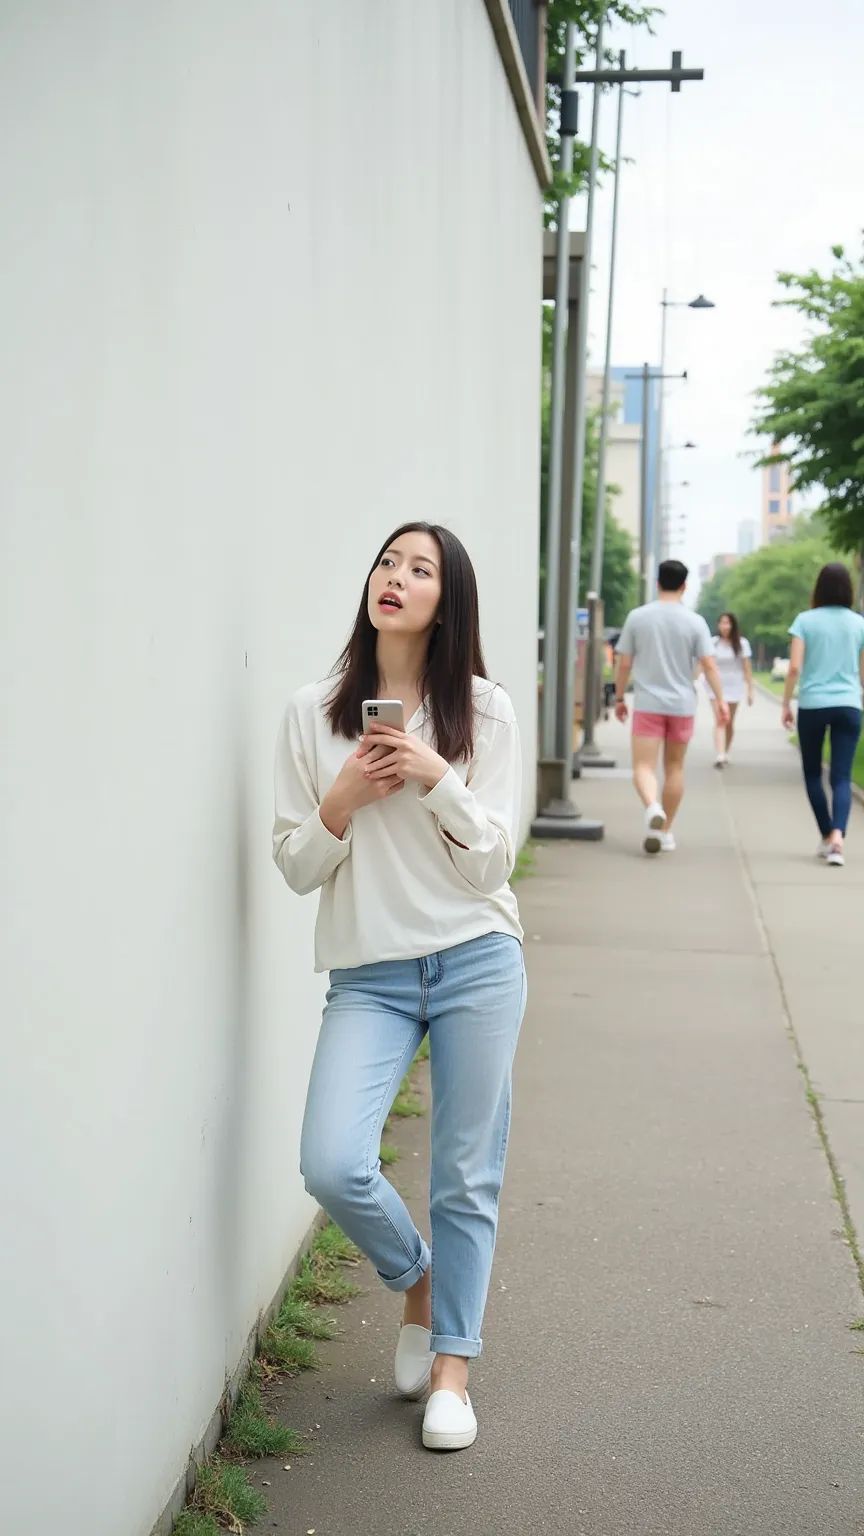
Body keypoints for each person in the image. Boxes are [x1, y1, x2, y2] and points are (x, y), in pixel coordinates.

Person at [272, 521, 526, 1453]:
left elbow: (493, 865)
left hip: (476, 959)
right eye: (388, 561)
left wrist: (433, 780)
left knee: (466, 1173)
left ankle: (452, 1370)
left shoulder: (485, 713)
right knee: (331, 1161)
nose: (397, 577)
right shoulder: (312, 712)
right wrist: (340, 802)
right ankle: (416, 1280)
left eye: (420, 569)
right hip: (370, 972)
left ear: (444, 600)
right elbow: (298, 866)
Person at [614, 559, 729, 854]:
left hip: (648, 703)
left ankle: (653, 807)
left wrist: (618, 697)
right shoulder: (695, 622)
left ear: (657, 583)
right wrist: (721, 702)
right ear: (684, 586)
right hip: (682, 705)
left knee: (643, 766)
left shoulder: (638, 617)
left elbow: (624, 662)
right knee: (675, 767)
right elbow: (709, 665)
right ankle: (665, 832)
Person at [782, 561, 864, 868]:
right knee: (841, 777)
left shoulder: (804, 620)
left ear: (818, 588)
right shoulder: (859, 623)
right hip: (849, 704)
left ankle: (828, 836)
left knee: (814, 774)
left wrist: (785, 703)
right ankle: (838, 838)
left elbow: (793, 667)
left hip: (813, 705)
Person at [709, 611, 754, 767]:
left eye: (727, 623)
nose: (724, 626)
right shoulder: (713, 643)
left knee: (729, 722)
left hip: (734, 686)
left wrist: (750, 690)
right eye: (722, 623)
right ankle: (720, 754)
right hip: (716, 686)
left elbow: (747, 668)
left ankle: (725, 751)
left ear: (733, 625)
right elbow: (706, 665)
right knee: (720, 719)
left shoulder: (742, 644)